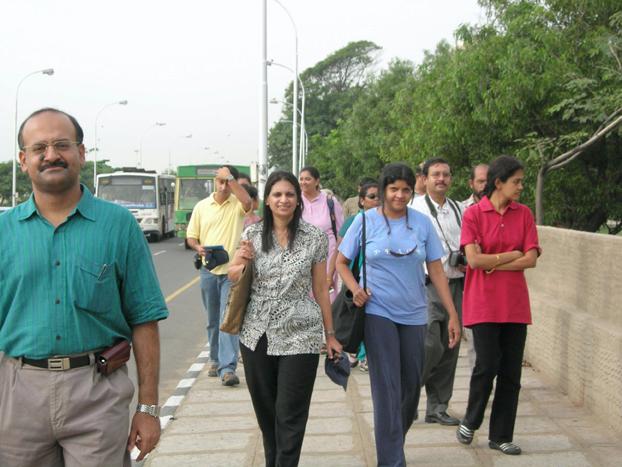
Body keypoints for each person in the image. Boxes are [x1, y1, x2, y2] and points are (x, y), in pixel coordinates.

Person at [0, 108, 169, 467]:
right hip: (16, 394)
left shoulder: (118, 225)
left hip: (97, 392)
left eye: (62, 144)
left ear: (81, 153)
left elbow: (144, 319)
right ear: (23, 160)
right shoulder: (4, 232)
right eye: (39, 148)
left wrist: (148, 408)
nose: (51, 155)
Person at [337, 163, 461, 467]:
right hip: (378, 313)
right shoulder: (364, 222)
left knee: (409, 389)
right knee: (387, 388)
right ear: (383, 190)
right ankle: (392, 460)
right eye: (394, 189)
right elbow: (341, 262)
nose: (400, 195)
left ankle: (394, 439)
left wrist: (453, 314)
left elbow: (436, 269)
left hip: (415, 314)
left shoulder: (421, 223)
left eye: (406, 189)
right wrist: (355, 289)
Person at [229, 171, 342, 467]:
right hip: (256, 334)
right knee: (268, 417)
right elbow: (233, 274)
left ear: (298, 199)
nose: (283, 200)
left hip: (300, 334)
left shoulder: (314, 237)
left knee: (290, 415)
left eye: (290, 194)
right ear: (267, 200)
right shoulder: (252, 235)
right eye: (277, 194)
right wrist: (241, 259)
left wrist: (330, 334)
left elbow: (320, 288)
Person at [456, 155, 540, 456]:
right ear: (498, 182)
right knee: (486, 364)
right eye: (516, 181)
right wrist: (509, 256)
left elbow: (530, 259)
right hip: (482, 304)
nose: (520, 187)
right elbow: (473, 260)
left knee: (511, 373)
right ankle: (472, 417)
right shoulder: (474, 215)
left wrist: (492, 262)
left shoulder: (524, 214)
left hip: (515, 305)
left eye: (521, 181)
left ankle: (501, 435)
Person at [186, 165, 251, 386]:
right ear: (214, 181)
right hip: (208, 270)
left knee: (228, 319)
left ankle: (228, 368)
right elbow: (191, 237)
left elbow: (248, 203)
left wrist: (231, 179)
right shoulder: (202, 207)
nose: (223, 186)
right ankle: (214, 359)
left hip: (231, 273)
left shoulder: (237, 205)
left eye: (227, 182)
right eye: (220, 181)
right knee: (213, 320)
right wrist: (199, 248)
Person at [412, 158, 465, 426]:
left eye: (446, 174)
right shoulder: (414, 208)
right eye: (436, 174)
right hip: (426, 285)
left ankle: (438, 407)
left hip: (456, 282)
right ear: (424, 178)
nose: (441, 179)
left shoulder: (458, 208)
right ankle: (408, 397)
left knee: (450, 345)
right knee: (430, 343)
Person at [338, 181, 379, 371]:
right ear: (362, 201)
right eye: (372, 197)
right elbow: (340, 255)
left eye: (380, 196)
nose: (377, 201)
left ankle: (363, 355)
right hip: (357, 278)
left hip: (380, 283)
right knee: (358, 318)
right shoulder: (355, 221)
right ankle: (360, 355)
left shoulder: (388, 222)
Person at [299, 166, 344, 302]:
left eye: (308, 179)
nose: (303, 182)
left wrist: (332, 271)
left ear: (317, 181)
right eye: (301, 179)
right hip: (302, 258)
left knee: (326, 299)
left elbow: (341, 234)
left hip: (328, 258)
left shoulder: (330, 201)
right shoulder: (296, 202)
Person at [461, 163, 489, 368]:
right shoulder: (462, 210)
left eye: (488, 180)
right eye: (480, 181)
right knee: (475, 340)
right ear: (471, 183)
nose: (484, 185)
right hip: (468, 282)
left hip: (498, 284)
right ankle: (479, 390)